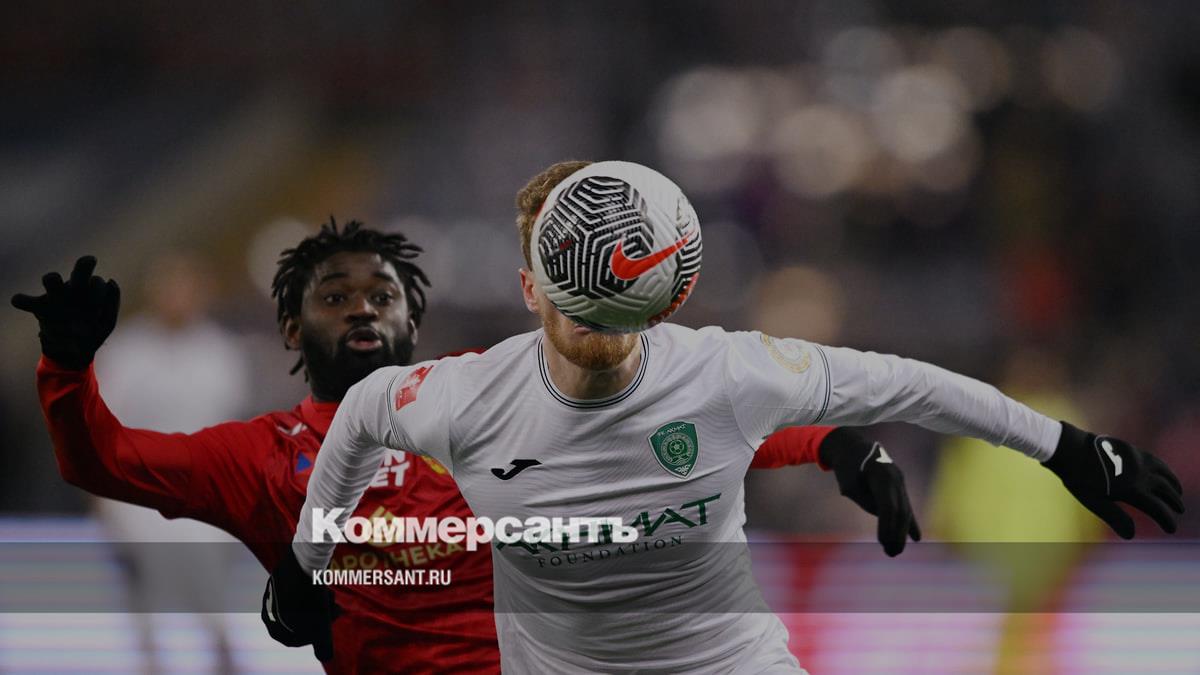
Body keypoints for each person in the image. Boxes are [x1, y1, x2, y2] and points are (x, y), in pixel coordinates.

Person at [272, 161, 1184, 673]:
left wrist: (1066, 445)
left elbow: (911, 385)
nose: (597, 305)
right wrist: (307, 563)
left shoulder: (725, 370)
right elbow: (358, 420)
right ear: (528, 290)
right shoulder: (461, 397)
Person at [12, 221, 919, 673]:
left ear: (412, 320)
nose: (362, 309)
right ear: (291, 326)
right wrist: (66, 367)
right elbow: (102, 459)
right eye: (334, 296)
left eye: (382, 295)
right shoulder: (258, 456)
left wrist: (833, 445)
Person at [92, 252, 249, 674]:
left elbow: (232, 428)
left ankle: (223, 657)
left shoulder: (220, 353)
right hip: (138, 493)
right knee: (147, 598)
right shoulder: (126, 353)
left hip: (200, 490)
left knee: (208, 590)